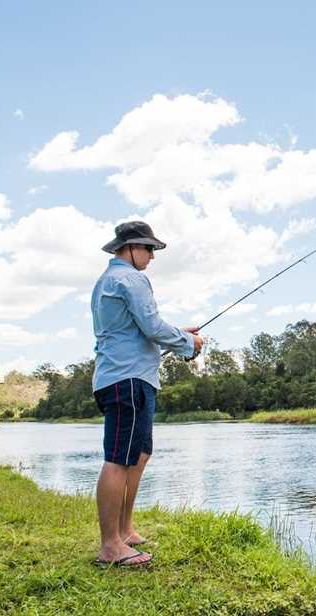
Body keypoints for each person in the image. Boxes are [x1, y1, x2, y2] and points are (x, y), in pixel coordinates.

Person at [91, 220, 202, 567]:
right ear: (129, 248)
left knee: (138, 455)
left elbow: (138, 327)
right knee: (120, 457)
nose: (152, 256)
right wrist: (189, 343)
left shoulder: (110, 281)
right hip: (127, 380)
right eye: (148, 248)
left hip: (131, 377)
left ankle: (124, 530)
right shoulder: (130, 278)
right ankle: (111, 546)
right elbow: (152, 327)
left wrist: (178, 332)